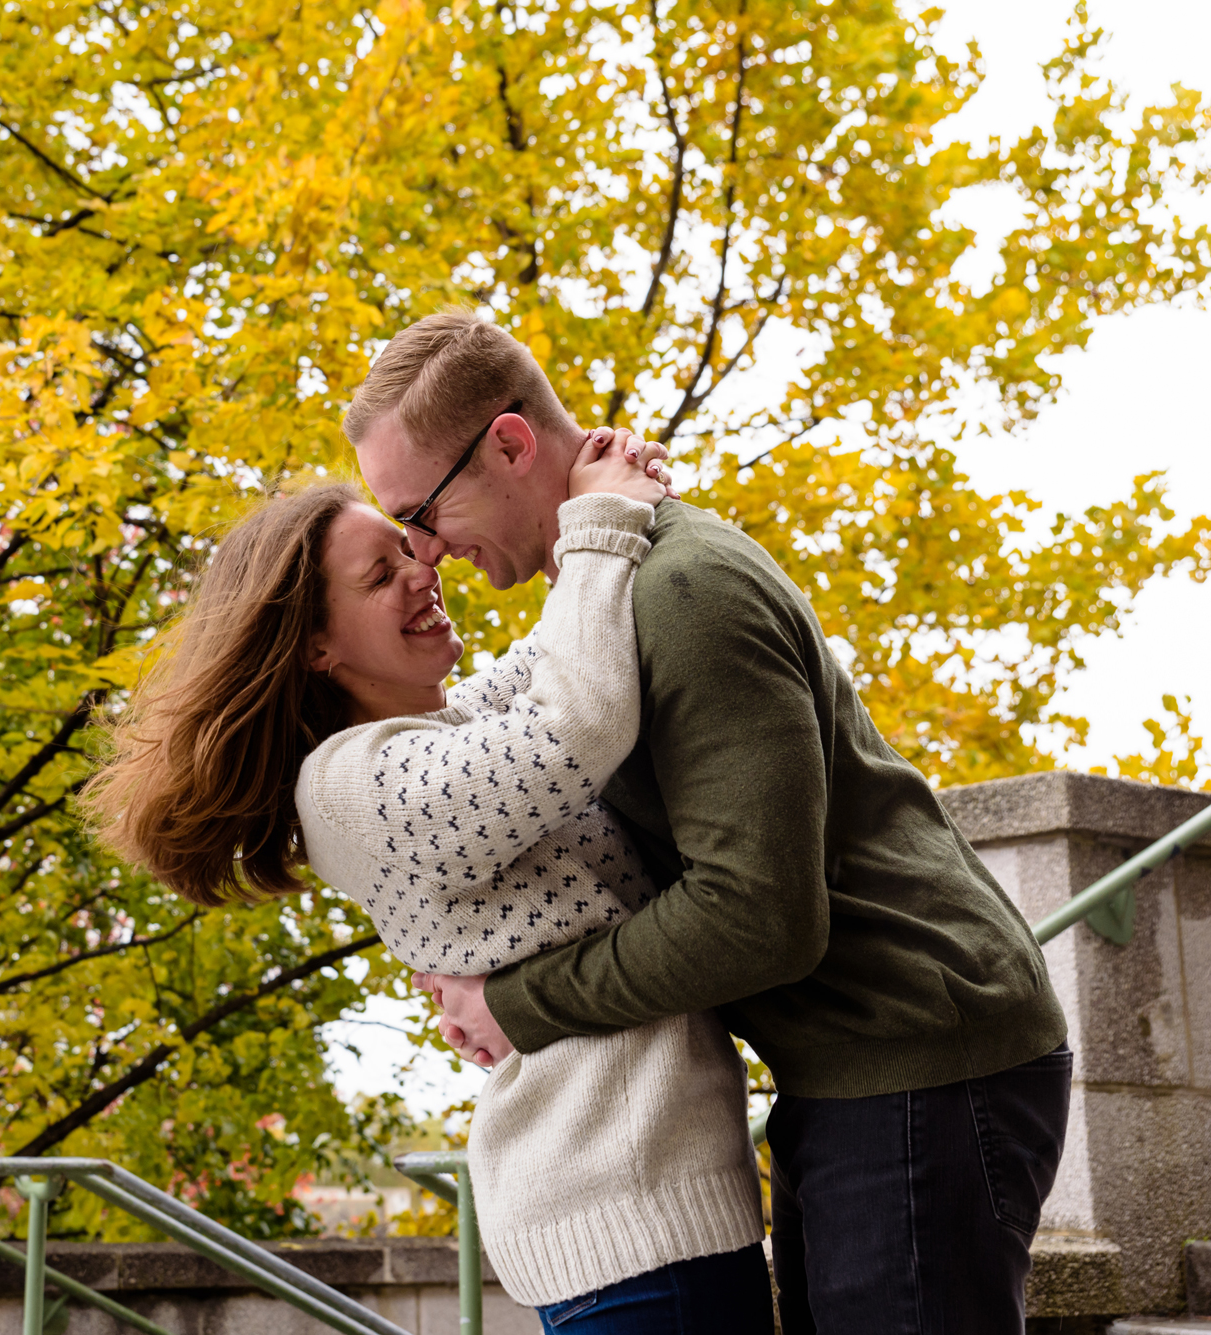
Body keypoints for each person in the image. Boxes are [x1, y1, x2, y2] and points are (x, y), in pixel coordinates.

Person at [346, 307, 1072, 1334]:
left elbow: (757, 917)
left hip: (923, 1052)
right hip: (859, 1062)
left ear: (507, 444)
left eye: (418, 512)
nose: (422, 550)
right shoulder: (602, 596)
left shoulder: (678, 593)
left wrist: (518, 1002)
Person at [84, 435, 776, 1333]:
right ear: (318, 648)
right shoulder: (352, 786)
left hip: (639, 1196)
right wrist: (599, 516)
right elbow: (577, 721)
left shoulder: (428, 735)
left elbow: (558, 661)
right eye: (381, 575)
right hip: (628, 1203)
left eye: (411, 545)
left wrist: (596, 493)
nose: (426, 568)